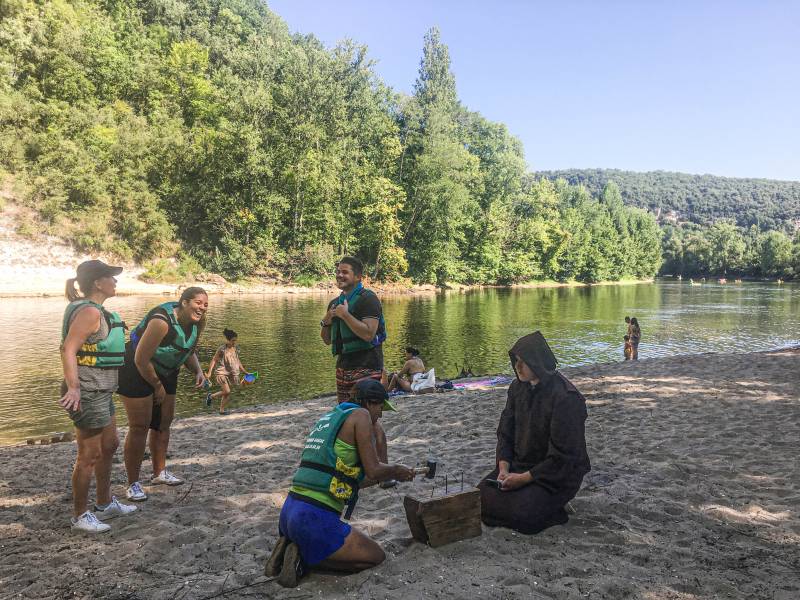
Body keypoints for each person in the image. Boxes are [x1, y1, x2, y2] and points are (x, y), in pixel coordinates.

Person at [265, 379, 414, 588]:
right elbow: (374, 469)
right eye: (380, 407)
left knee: (350, 547)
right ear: (370, 402)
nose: (380, 414)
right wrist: (397, 469)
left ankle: (293, 545)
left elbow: (357, 480)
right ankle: (303, 560)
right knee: (375, 556)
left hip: (290, 512)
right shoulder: (361, 415)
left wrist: (381, 439)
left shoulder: (332, 416)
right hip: (314, 517)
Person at [478, 331, 590, 535]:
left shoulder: (565, 398)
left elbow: (563, 457)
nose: (517, 367)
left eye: (524, 361)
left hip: (554, 475)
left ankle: (554, 508)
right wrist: (503, 467)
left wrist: (524, 479)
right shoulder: (516, 388)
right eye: (516, 361)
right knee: (477, 499)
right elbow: (506, 432)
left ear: (537, 361)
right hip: (519, 465)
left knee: (523, 516)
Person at [60, 260, 137, 533]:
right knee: (88, 455)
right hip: (88, 390)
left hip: (102, 390)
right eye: (111, 277)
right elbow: (68, 349)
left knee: (110, 445)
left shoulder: (98, 311)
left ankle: (104, 503)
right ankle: (80, 516)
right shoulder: (90, 312)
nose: (115, 281)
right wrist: (74, 387)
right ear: (97, 282)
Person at [118, 287, 209, 501]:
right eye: (198, 303)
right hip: (135, 368)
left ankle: (159, 473)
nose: (202, 308)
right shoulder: (162, 321)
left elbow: (188, 350)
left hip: (166, 369)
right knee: (140, 426)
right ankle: (133, 483)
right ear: (184, 303)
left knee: (163, 424)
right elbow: (141, 358)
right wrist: (157, 386)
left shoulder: (198, 323)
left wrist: (198, 370)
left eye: (205, 305)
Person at [319, 256, 390, 466]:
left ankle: (383, 467)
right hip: (343, 367)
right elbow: (327, 340)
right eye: (338, 271)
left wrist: (346, 315)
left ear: (358, 277)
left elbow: (369, 334)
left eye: (345, 272)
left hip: (368, 365)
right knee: (349, 417)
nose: (340, 275)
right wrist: (327, 320)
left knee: (371, 418)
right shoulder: (334, 303)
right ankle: (362, 465)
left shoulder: (369, 299)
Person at [205, 328, 248, 415]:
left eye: (235, 340)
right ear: (227, 340)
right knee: (227, 391)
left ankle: (221, 410)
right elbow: (214, 360)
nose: (234, 342)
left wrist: (245, 372)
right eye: (232, 340)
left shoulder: (235, 348)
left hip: (232, 373)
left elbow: (238, 361)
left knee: (229, 392)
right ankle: (211, 396)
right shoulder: (222, 349)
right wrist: (209, 373)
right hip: (221, 373)